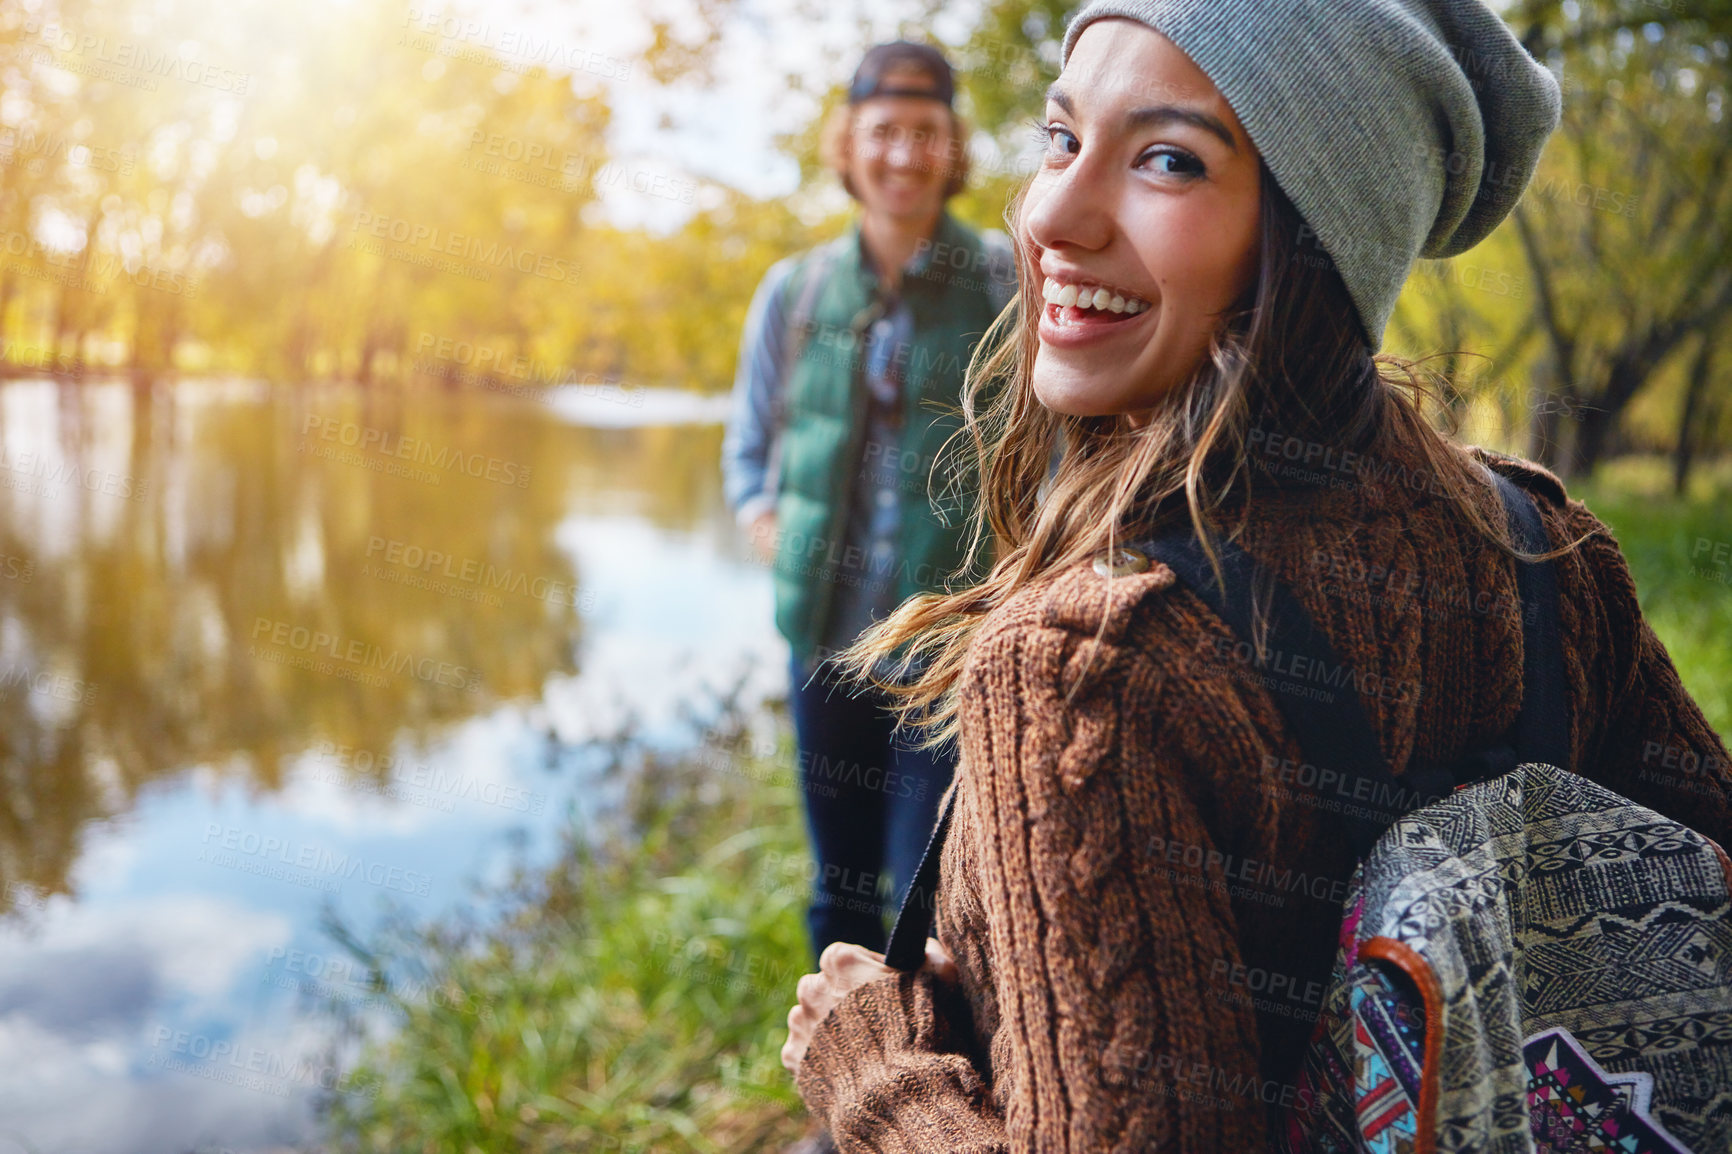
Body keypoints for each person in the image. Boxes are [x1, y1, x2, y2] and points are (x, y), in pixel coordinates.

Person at [779, 3, 1732, 1151]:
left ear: (1317, 237)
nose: (1051, 215)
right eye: (1061, 138)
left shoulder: (1090, 667)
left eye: (1167, 160)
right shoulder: (1545, 550)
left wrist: (877, 1076)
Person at [721, 41, 1016, 965]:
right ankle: (836, 1092)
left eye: (925, 131)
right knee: (837, 886)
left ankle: (920, 1093)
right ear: (848, 143)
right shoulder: (797, 290)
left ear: (952, 146)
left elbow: (1050, 451)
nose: (903, 153)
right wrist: (767, 527)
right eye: (883, 131)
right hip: (824, 637)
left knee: (926, 895)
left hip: (945, 643)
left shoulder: (1007, 280)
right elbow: (748, 452)